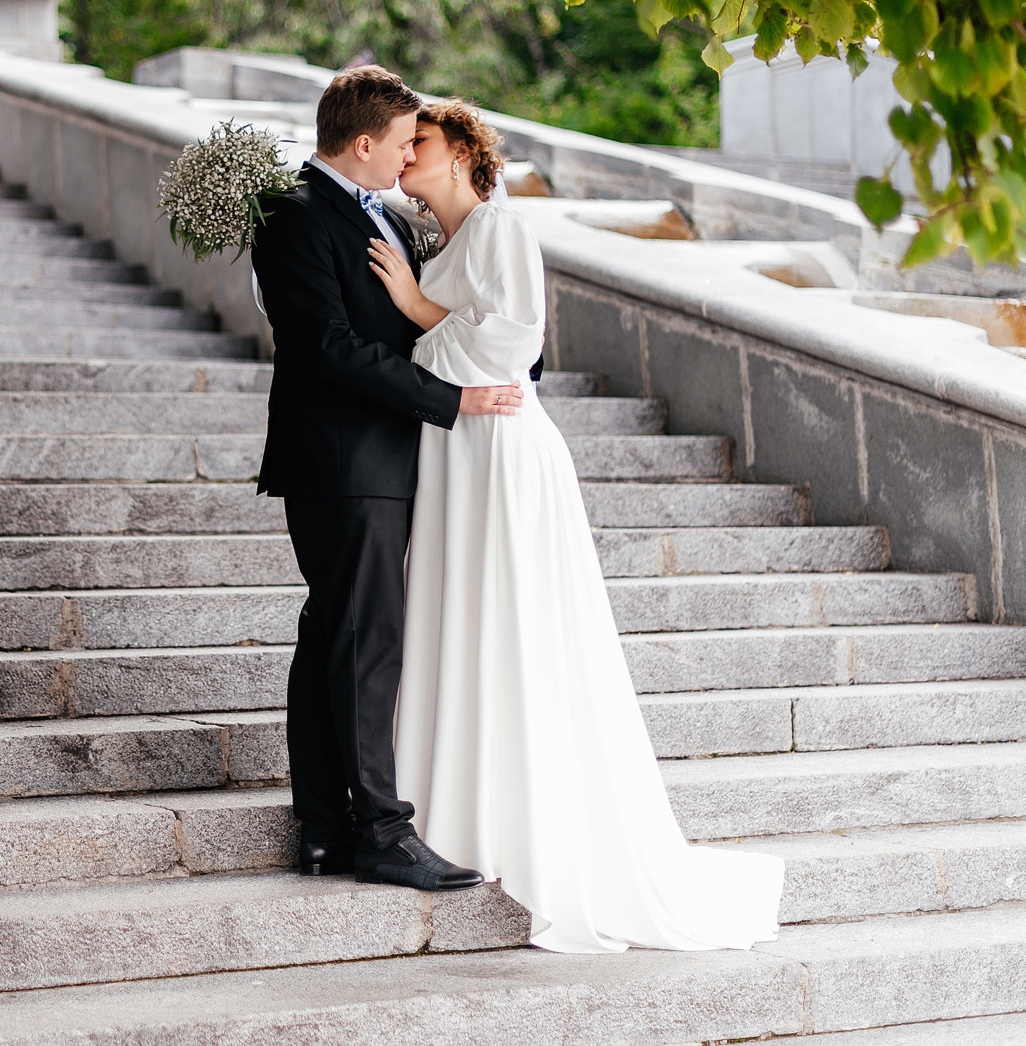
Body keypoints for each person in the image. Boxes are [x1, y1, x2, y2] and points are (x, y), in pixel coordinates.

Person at [365, 98, 786, 951]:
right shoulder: (439, 243)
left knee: (509, 626)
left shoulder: (501, 229)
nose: (406, 155)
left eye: (422, 142)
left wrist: (414, 309)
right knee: (460, 618)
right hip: (454, 453)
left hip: (500, 451)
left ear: (463, 153)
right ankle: (454, 806)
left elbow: (511, 349)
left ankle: (522, 825)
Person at [250, 66, 525, 890]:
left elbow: (422, 328)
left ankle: (326, 827)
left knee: (334, 634)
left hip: (381, 457)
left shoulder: (391, 221)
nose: (410, 157)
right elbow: (328, 347)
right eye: (404, 142)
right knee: (367, 639)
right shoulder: (294, 212)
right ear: (364, 143)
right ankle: (381, 830)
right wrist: (453, 399)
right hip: (343, 460)